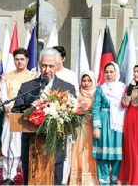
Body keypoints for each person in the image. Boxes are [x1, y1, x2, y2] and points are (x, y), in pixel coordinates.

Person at [11, 47, 76, 185]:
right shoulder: (27, 87)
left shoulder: (67, 88)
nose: (47, 70)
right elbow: (16, 111)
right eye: (44, 65)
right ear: (39, 65)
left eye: (51, 66)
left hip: (55, 148)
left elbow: (73, 117)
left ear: (57, 66)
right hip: (30, 146)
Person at [0, 48, 36, 185]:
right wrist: (7, 106)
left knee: (21, 147)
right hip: (10, 115)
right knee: (7, 146)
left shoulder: (32, 77)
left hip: (26, 117)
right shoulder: (7, 76)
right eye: (17, 59)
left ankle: (20, 175)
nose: (19, 62)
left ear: (27, 60)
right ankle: (7, 176)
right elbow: (3, 94)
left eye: (22, 59)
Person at [92, 62, 125, 186]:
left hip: (119, 125)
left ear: (116, 72)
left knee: (117, 156)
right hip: (104, 123)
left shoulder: (123, 88)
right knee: (103, 156)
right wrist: (96, 127)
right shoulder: (101, 88)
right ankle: (104, 183)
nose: (109, 74)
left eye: (111, 72)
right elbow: (96, 108)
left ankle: (115, 182)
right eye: (106, 72)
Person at [52, 45, 79, 185]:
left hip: (64, 119)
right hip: (49, 119)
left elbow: (75, 98)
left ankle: (62, 180)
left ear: (63, 58)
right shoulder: (46, 74)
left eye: (58, 57)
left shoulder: (71, 75)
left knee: (64, 152)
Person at [68, 70, 99, 185]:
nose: (86, 83)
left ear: (93, 81)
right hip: (79, 128)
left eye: (89, 81)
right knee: (77, 151)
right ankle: (76, 180)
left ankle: (90, 181)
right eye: (84, 80)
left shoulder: (96, 94)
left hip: (92, 128)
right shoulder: (76, 94)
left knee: (89, 151)